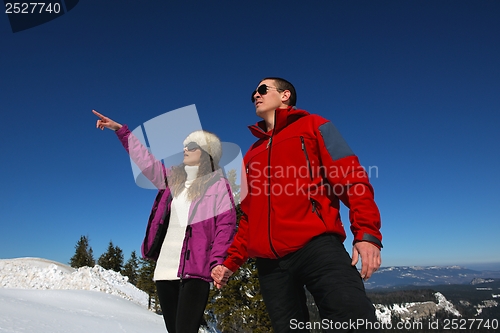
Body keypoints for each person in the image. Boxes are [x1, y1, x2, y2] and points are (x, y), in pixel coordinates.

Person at [211, 78, 383, 332]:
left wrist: (366, 232)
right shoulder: (251, 154)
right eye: (253, 94)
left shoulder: (316, 125)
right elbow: (249, 217)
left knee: (353, 318)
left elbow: (352, 177)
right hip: (270, 266)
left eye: (262, 90)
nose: (255, 96)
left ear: (285, 95)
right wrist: (230, 263)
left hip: (316, 247)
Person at [93, 110, 236, 333]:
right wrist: (121, 131)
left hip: (195, 271)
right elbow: (146, 162)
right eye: (186, 145)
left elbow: (225, 226)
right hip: (164, 270)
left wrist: (217, 261)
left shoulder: (217, 185)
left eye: (192, 146)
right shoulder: (172, 180)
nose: (185, 149)